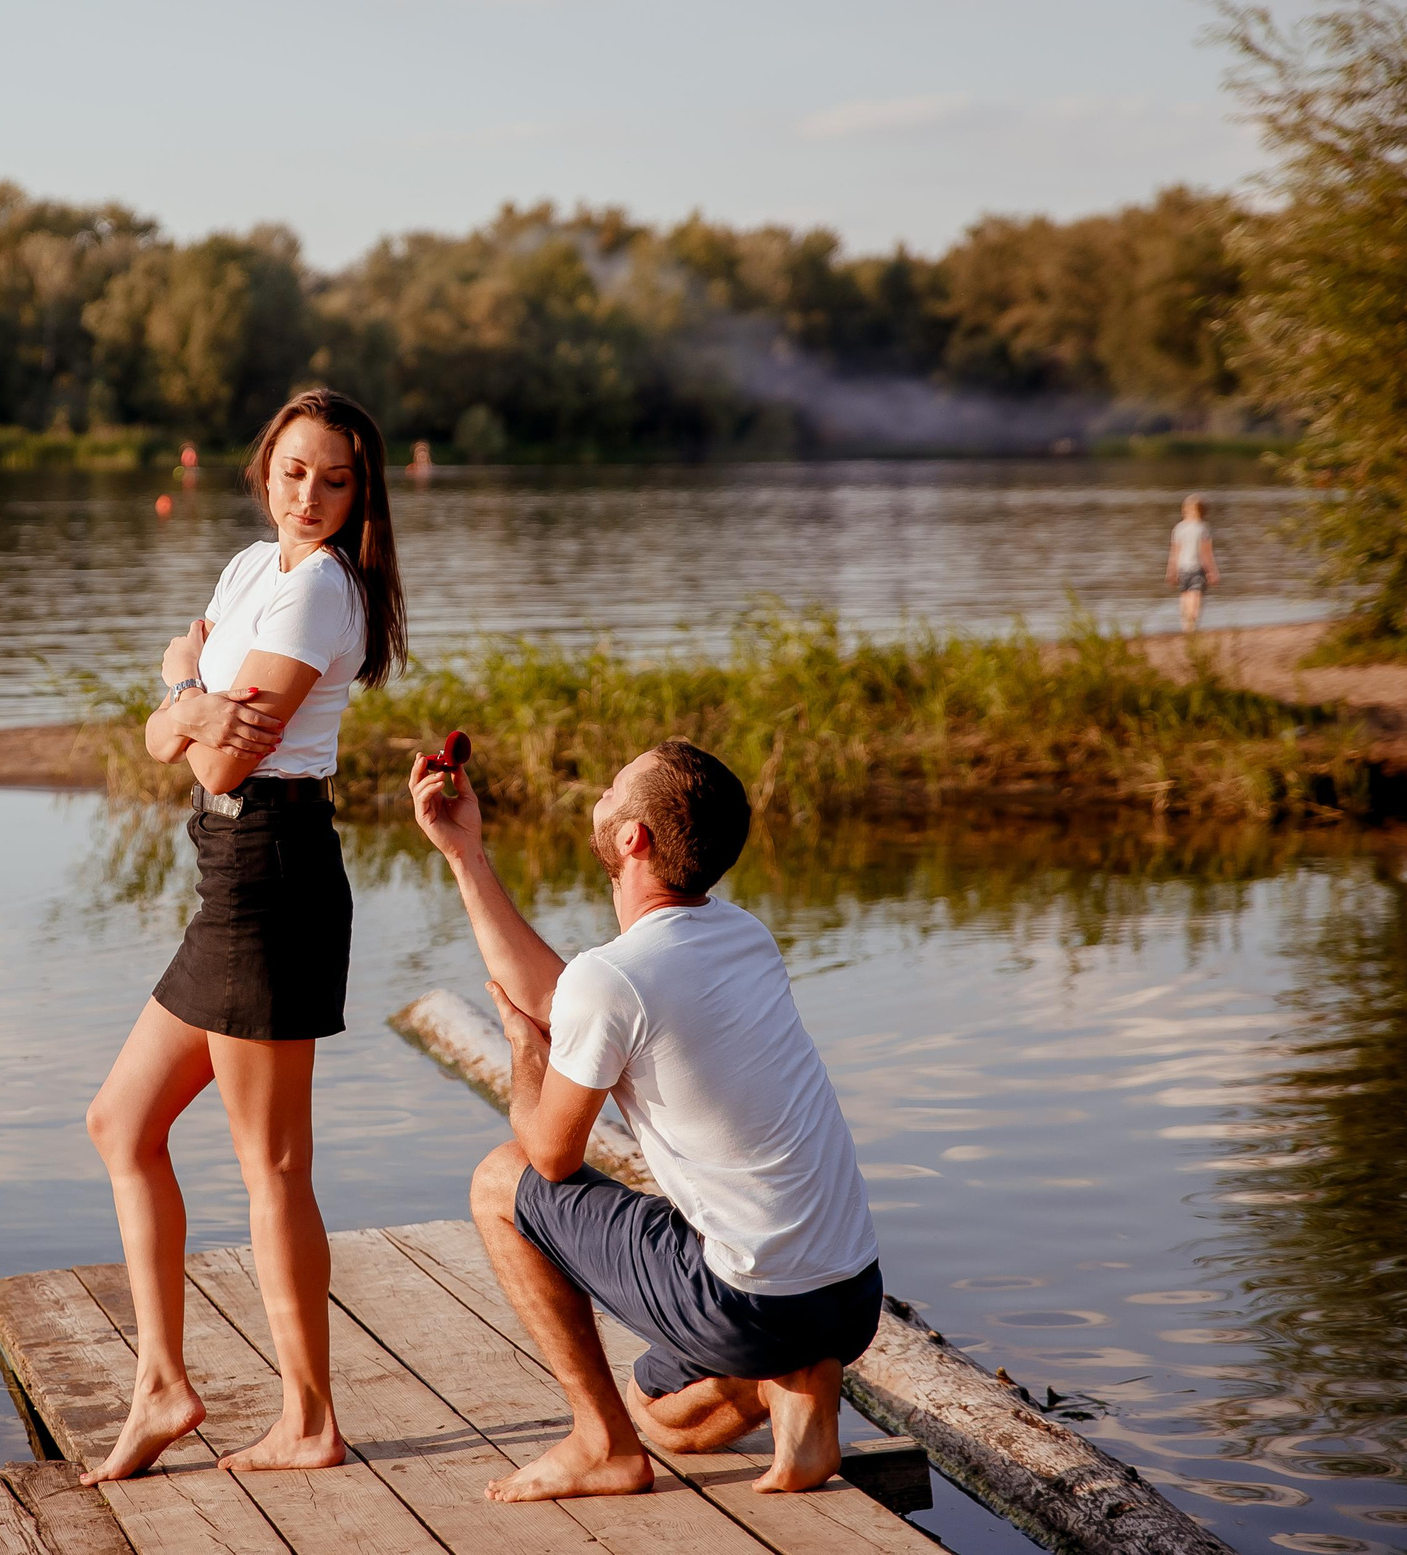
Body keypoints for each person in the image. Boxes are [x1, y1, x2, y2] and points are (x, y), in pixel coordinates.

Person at [407, 739, 880, 1503]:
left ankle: (599, 1446)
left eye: (613, 786)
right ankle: (794, 1387)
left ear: (633, 838)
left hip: (751, 1299)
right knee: (663, 1419)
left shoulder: (616, 978)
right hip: (851, 1296)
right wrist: (465, 853)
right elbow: (575, 996)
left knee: (502, 1180)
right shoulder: (742, 936)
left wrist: (527, 1051)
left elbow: (551, 1157)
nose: (600, 791)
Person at [81, 388, 409, 1483]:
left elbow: (214, 757)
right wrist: (183, 702)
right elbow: (160, 738)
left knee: (271, 1165)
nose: (308, 496)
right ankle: (165, 1386)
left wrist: (182, 686)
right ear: (266, 466)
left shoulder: (319, 593)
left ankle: (309, 1419)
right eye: (294, 471)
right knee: (121, 1123)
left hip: (275, 870)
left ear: (360, 496)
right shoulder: (244, 571)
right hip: (228, 873)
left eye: (334, 480)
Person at [1167, 494, 1220, 633]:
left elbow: (1174, 552)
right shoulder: (1203, 528)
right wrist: (1212, 571)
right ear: (1203, 511)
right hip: (1198, 568)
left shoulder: (1178, 528)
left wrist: (1171, 571)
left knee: (1184, 594)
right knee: (1195, 595)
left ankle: (1185, 624)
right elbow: (1206, 553)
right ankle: (1192, 622)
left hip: (1182, 567)